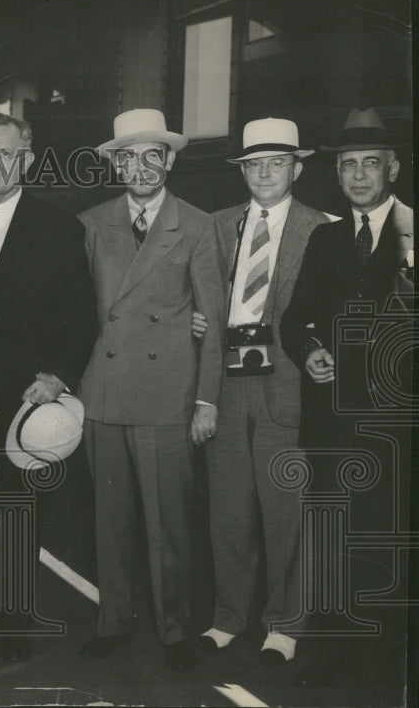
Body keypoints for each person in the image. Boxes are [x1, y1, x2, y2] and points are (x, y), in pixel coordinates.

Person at [0, 113, 96, 662]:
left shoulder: (58, 226)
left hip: (22, 402)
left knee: (14, 515)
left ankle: (11, 626)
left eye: (4, 154)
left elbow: (81, 318)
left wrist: (56, 376)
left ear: (26, 159)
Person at [76, 108, 225, 672]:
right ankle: (113, 622)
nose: (139, 167)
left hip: (168, 392)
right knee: (108, 521)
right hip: (105, 392)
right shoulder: (91, 223)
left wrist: (206, 400)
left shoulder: (198, 224)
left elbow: (213, 320)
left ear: (169, 161)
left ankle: (174, 629)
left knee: (169, 524)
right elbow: (78, 314)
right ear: (115, 164)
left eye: (151, 155)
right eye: (127, 156)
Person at [280, 107, 413, 689]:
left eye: (370, 164)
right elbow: (295, 320)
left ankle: (384, 663)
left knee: (385, 540)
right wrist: (309, 350)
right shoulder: (326, 236)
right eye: (349, 166)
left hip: (394, 426)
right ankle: (331, 653)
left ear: (394, 168)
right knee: (333, 537)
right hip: (331, 423)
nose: (360, 175)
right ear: (337, 175)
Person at [195, 119, 329, 666]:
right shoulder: (216, 225)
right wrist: (196, 322)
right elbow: (196, 296)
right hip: (226, 383)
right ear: (242, 171)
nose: (265, 172)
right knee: (227, 509)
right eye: (254, 164)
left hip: (287, 384)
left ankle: (285, 622)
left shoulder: (324, 227)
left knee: (285, 510)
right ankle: (229, 616)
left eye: (277, 162)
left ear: (297, 168)